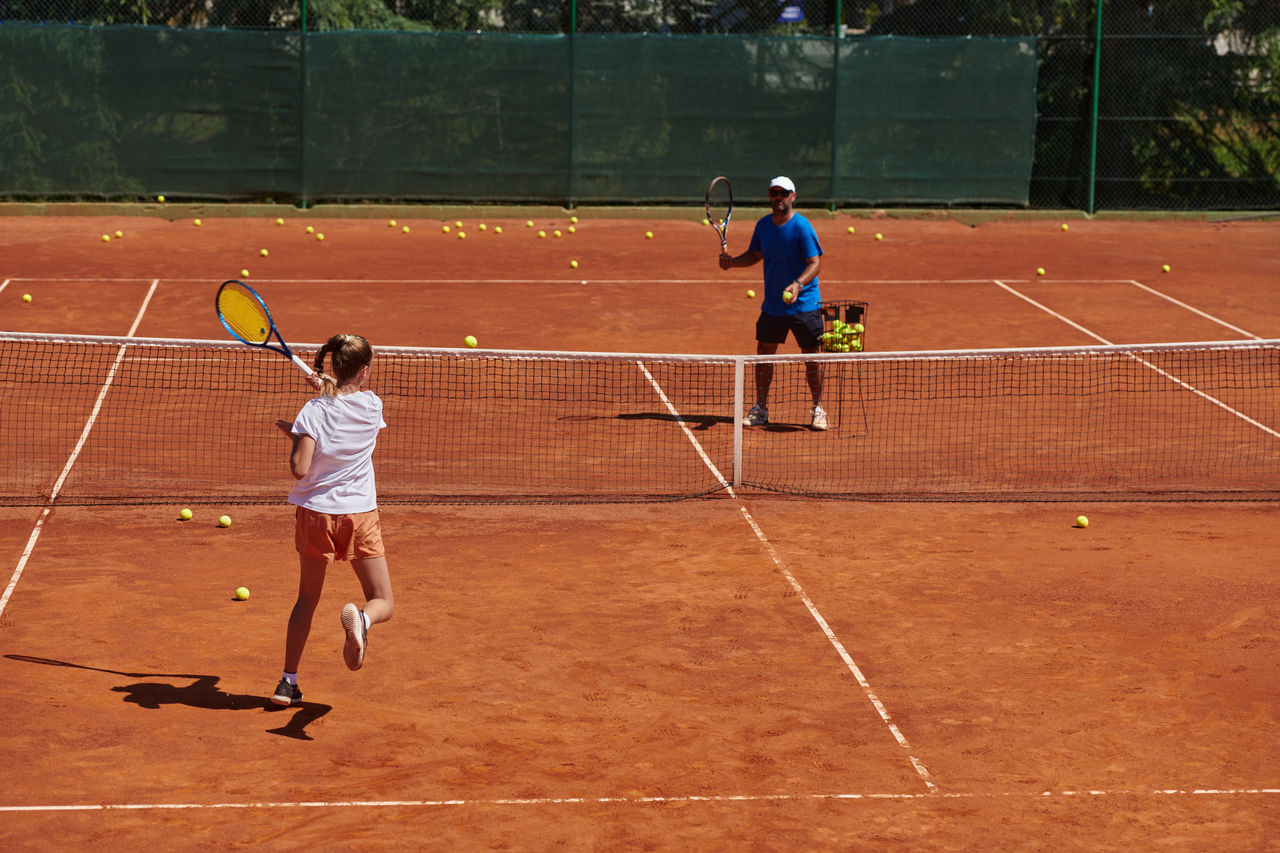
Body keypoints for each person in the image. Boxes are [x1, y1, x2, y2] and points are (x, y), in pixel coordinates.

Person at [269, 333, 393, 706]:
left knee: (306, 600)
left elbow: (300, 468)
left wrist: (297, 435)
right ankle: (363, 619)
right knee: (382, 599)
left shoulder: (313, 411)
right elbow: (344, 406)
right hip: (359, 516)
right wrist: (325, 396)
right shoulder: (373, 405)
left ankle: (287, 682)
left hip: (316, 516)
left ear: (332, 365)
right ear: (365, 371)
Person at [719, 175, 827, 430]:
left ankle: (819, 409)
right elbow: (755, 255)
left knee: (812, 358)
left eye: (783, 193)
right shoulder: (763, 226)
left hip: (805, 304)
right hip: (773, 306)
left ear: (793, 196)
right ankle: (761, 408)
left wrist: (798, 284)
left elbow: (816, 263)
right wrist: (733, 262)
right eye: (773, 193)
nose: (777, 197)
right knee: (764, 356)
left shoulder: (802, 227)